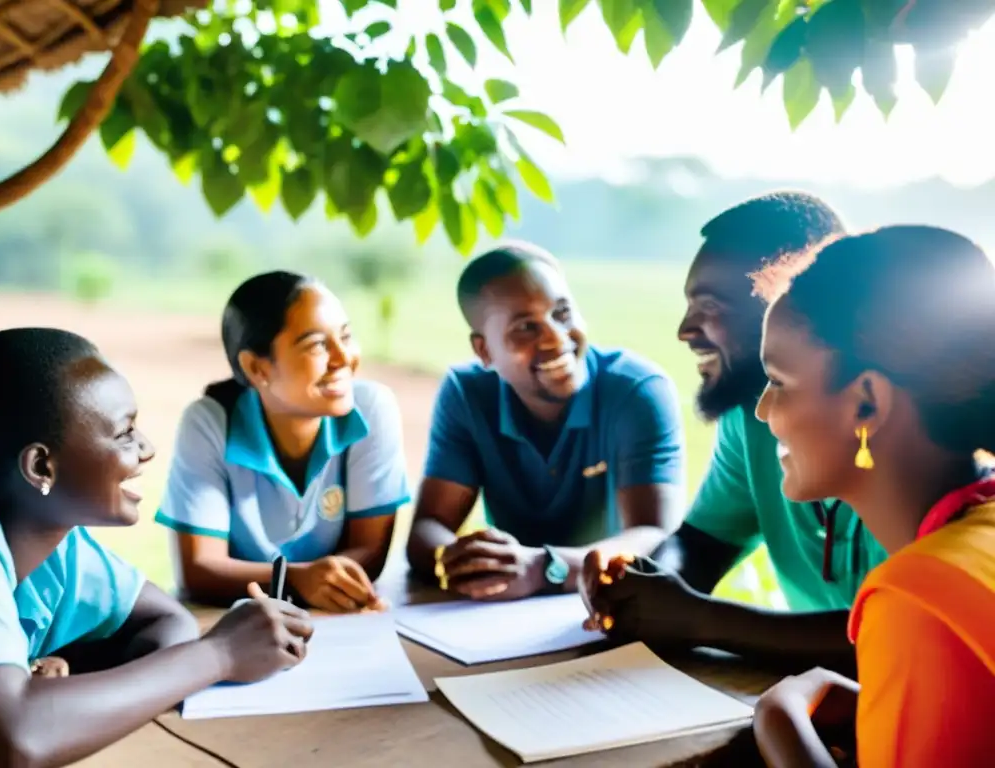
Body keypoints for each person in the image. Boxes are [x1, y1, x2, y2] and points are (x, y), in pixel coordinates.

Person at [0, 327, 313, 768]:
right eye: (124, 433)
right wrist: (220, 653)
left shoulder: (56, 547)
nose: (147, 448)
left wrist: (49, 690)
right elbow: (18, 741)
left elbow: (166, 620)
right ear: (41, 466)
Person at [581, 192, 887, 675]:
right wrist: (647, 588)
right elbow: (702, 542)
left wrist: (702, 620)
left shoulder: (904, 435)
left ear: (789, 300)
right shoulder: (751, 415)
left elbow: (900, 632)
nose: (684, 330)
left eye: (708, 305)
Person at [746, 225, 995, 766]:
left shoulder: (917, 601)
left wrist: (780, 723)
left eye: (779, 382)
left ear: (865, 403)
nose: (763, 410)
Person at [406, 242, 687, 601]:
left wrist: (542, 568)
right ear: (485, 351)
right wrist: (464, 561)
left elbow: (654, 536)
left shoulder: (637, 391)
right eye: (526, 327)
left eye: (563, 313)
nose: (556, 338)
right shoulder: (467, 393)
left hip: (610, 601)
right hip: (505, 611)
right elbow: (427, 529)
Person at [157, 271, 410, 612]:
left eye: (346, 337)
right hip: (238, 626)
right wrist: (295, 579)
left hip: (338, 622)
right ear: (256, 368)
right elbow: (199, 570)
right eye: (318, 344)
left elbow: (371, 551)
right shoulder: (209, 424)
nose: (342, 358)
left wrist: (311, 582)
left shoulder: (371, 409)